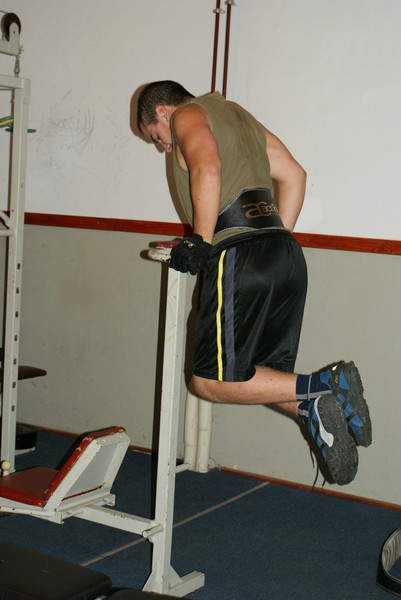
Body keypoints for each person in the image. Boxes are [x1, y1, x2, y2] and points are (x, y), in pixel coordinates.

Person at [136, 80, 372, 486]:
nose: (164, 146)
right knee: (260, 376)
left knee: (208, 382)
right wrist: (271, 240)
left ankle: (327, 384)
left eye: (156, 137)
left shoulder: (187, 114)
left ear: (161, 112)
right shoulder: (239, 117)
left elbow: (207, 167)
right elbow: (295, 174)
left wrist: (200, 242)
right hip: (285, 254)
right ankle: (311, 407)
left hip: (239, 255)